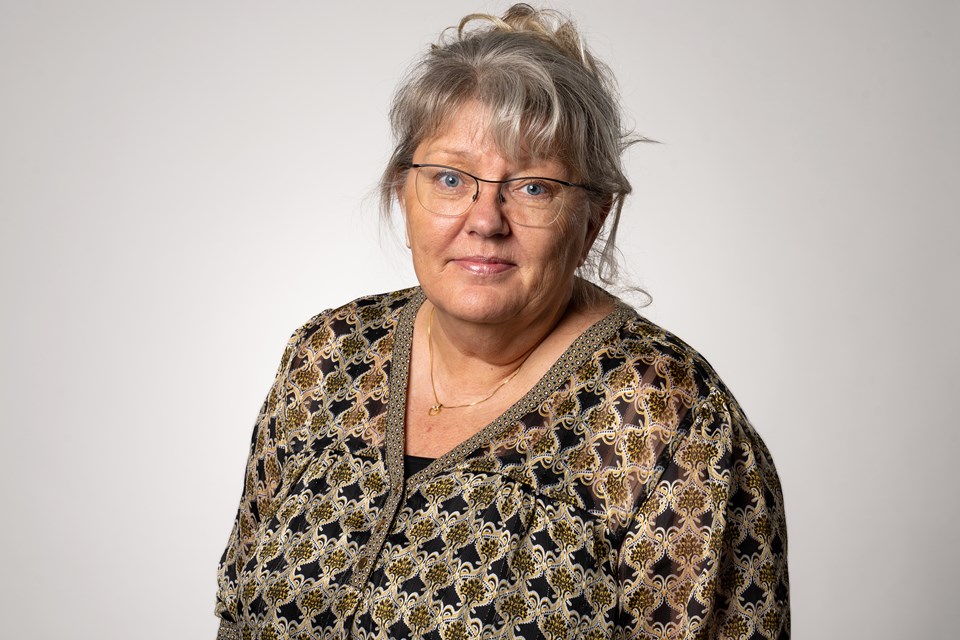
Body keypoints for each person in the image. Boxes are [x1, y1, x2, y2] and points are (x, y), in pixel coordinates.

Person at [215, 4, 789, 639]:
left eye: (533, 187)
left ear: (592, 220)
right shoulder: (328, 357)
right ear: (404, 194)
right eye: (450, 178)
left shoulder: (672, 422)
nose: (485, 220)